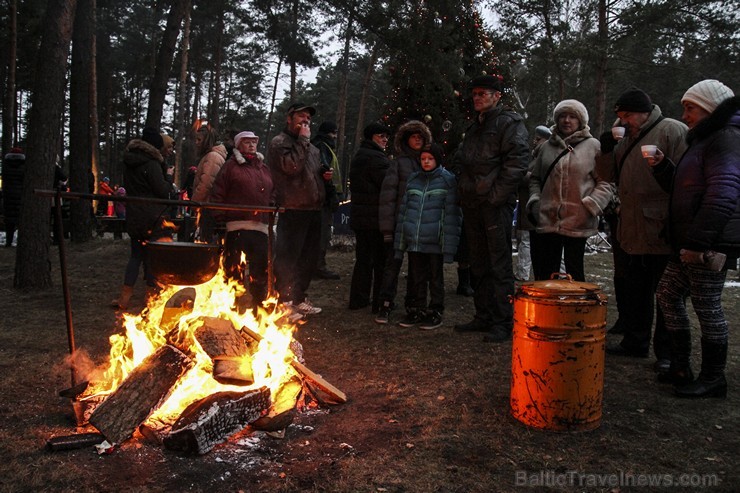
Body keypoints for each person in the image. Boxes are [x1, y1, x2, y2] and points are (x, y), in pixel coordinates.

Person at [650, 80, 739, 398]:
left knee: (707, 305)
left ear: (710, 107)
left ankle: (714, 377)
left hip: (708, 243)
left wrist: (699, 243)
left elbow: (723, 192)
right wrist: (663, 168)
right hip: (689, 240)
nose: (685, 115)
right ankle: (680, 365)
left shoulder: (727, 138)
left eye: (691, 108)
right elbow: (686, 187)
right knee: (668, 295)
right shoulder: (706, 139)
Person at [605, 88, 688, 376]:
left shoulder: (673, 131)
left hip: (661, 226)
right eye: (619, 116)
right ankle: (634, 341)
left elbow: (685, 179)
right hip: (630, 225)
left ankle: (666, 353)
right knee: (634, 289)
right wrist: (605, 148)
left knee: (665, 294)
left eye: (627, 115)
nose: (623, 120)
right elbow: (606, 176)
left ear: (644, 111)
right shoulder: (623, 136)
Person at [452, 75, 529, 342]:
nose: (476, 97)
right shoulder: (475, 127)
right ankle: (483, 315)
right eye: (474, 93)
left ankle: (503, 320)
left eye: (482, 93)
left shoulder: (508, 123)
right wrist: (464, 190)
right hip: (474, 204)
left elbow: (518, 162)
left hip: (494, 205)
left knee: (499, 263)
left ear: (497, 96)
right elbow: (463, 160)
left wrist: (496, 196)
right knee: (478, 261)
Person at [527, 99, 613, 282]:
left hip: (578, 219)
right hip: (548, 219)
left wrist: (591, 205)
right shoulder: (546, 147)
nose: (567, 120)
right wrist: (535, 201)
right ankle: (548, 309)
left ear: (581, 121)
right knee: (546, 273)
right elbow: (535, 178)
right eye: (563, 116)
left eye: (572, 116)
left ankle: (575, 309)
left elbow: (606, 181)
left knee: (575, 272)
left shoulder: (594, 147)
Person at [394, 144, 462, 330]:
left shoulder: (447, 181)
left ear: (437, 160)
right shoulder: (413, 180)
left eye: (430, 159)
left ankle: (435, 311)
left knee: (435, 278)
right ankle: (417, 309)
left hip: (435, 242)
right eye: (423, 158)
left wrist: (449, 248)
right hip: (415, 241)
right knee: (416, 277)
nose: (426, 162)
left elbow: (451, 216)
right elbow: (404, 212)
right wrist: (400, 243)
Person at [267, 102, 325, 318]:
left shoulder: (311, 147)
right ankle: (284, 301)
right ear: (289, 119)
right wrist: (302, 141)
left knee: (308, 257)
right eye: (301, 116)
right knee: (288, 257)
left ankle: (299, 298)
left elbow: (312, 172)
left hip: (312, 207)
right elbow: (291, 167)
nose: (305, 121)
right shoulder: (280, 143)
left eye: (308, 118)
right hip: (292, 207)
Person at [374, 120, 432, 324]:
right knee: (392, 266)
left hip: (419, 226)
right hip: (399, 224)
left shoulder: (428, 162)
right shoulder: (398, 163)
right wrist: (387, 229)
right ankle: (385, 305)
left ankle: (413, 306)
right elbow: (388, 197)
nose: (417, 139)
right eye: (413, 136)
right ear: (406, 139)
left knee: (418, 268)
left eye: (420, 136)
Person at [211, 130, 274, 313]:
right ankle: (232, 311)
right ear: (239, 145)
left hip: (260, 228)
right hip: (236, 227)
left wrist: (271, 204)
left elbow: (274, 190)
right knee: (233, 271)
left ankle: (259, 310)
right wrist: (220, 217)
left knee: (260, 271)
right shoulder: (230, 167)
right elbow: (218, 192)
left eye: (254, 142)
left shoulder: (264, 167)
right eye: (247, 142)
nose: (252, 145)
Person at [112, 127, 173, 310]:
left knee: (136, 255)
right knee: (154, 258)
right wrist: (168, 178)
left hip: (135, 214)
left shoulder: (129, 162)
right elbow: (161, 191)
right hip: (153, 216)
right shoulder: (152, 164)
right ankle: (151, 298)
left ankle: (125, 297)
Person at [348, 122, 392, 312]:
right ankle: (379, 301)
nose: (385, 140)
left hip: (362, 216)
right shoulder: (376, 158)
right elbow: (387, 184)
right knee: (379, 261)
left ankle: (358, 299)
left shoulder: (362, 155)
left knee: (364, 260)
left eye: (386, 137)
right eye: (381, 136)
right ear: (371, 137)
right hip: (374, 217)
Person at [514, 125, 551, 281]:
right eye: (535, 138)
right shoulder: (534, 157)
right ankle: (523, 272)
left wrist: (522, 175)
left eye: (539, 139)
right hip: (526, 206)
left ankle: (523, 272)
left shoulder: (544, 157)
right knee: (525, 241)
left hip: (534, 207)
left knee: (528, 242)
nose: (535, 142)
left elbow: (540, 178)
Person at [311, 121, 342, 280]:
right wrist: (332, 194)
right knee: (322, 234)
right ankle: (318, 267)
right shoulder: (322, 147)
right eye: (334, 133)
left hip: (321, 196)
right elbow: (325, 172)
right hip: (323, 197)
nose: (336, 136)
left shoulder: (321, 146)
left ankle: (315, 265)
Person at [191, 124, 228, 242]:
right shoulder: (210, 156)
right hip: (207, 206)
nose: (196, 143)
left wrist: (194, 203)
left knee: (206, 242)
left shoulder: (212, 157)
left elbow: (206, 183)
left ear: (207, 140)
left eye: (199, 140)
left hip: (208, 207)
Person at [2, 147, 25, 247]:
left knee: (9, 220)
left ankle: (8, 241)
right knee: (21, 219)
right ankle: (22, 241)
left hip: (8, 195)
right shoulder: (24, 166)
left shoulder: (6, 165)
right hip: (20, 195)